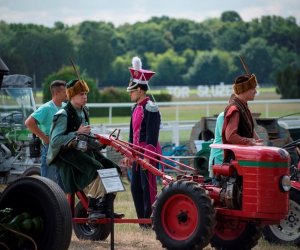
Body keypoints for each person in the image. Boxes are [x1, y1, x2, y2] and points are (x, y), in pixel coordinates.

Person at [46, 79, 124, 220]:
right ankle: (93, 209)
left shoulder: (84, 111)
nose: (85, 97)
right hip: (67, 155)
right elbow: (55, 141)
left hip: (83, 150)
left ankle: (106, 208)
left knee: (114, 168)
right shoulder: (63, 114)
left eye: (86, 93)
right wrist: (77, 132)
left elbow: (86, 137)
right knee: (96, 169)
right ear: (71, 95)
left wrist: (99, 143)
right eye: (81, 94)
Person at [124, 56, 161, 227]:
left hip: (148, 153)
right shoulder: (135, 108)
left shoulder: (150, 107)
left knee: (148, 189)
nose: (130, 93)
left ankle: (150, 221)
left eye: (132, 90)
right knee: (135, 188)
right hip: (137, 154)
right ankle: (142, 222)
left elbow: (152, 135)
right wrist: (129, 154)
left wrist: (147, 156)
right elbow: (133, 136)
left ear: (140, 90)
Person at [25, 80, 67, 186]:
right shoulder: (46, 108)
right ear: (56, 93)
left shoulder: (65, 107)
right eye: (64, 92)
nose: (67, 94)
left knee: (61, 187)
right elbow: (29, 122)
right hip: (50, 150)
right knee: (50, 186)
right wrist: (44, 138)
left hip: (63, 149)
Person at [222, 73, 264, 161]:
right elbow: (230, 136)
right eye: (253, 88)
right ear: (244, 89)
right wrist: (250, 141)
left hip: (245, 158)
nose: (255, 92)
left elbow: (250, 131)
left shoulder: (244, 107)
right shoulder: (235, 109)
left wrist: (259, 144)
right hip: (237, 161)